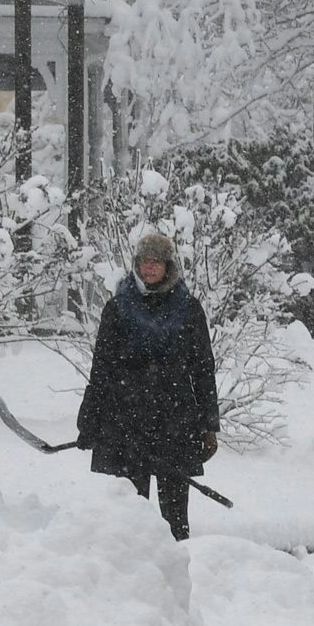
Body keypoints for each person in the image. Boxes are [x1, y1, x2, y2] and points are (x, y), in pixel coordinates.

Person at [76, 231, 220, 540]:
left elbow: (203, 370)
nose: (149, 268)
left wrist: (209, 425)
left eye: (156, 262)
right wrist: (89, 420)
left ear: (169, 267)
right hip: (126, 422)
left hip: (175, 424)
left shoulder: (188, 310)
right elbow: (102, 369)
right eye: (144, 262)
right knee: (128, 516)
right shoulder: (118, 308)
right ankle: (129, 575)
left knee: (175, 520)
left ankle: (178, 577)